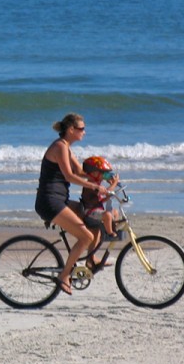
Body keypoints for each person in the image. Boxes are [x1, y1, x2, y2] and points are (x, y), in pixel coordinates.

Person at [34, 113, 109, 295]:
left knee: (95, 220)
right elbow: (70, 176)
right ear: (71, 130)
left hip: (61, 200)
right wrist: (93, 186)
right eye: (82, 129)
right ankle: (64, 276)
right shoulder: (59, 147)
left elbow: (81, 172)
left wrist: (106, 175)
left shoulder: (66, 148)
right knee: (86, 237)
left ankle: (91, 260)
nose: (85, 132)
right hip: (50, 202)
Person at [81, 156, 120, 240]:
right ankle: (109, 233)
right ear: (94, 173)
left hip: (97, 208)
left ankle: (113, 228)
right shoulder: (91, 184)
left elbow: (102, 198)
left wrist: (110, 194)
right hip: (90, 211)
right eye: (102, 173)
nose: (104, 175)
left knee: (115, 212)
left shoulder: (97, 183)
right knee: (108, 215)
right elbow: (105, 191)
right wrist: (114, 183)